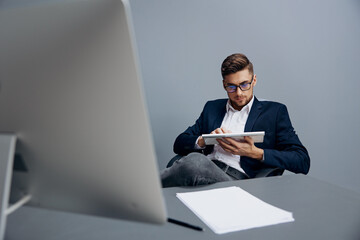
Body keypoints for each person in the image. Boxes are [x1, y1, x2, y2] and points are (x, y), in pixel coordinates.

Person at [161, 53, 310, 187]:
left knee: (194, 162)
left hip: (237, 181)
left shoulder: (275, 112)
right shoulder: (212, 108)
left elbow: (302, 161)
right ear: (224, 85)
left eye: (244, 84)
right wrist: (205, 140)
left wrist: (255, 152)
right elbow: (179, 143)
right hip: (204, 171)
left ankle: (145, 190)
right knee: (186, 162)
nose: (238, 93)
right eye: (231, 87)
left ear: (254, 80)